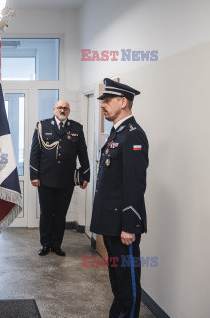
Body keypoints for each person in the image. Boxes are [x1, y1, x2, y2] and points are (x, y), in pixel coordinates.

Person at [90, 78, 148, 318]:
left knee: (128, 281)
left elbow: (134, 184)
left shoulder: (133, 135)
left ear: (123, 102)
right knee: (117, 277)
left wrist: (129, 226)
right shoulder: (118, 133)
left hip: (123, 225)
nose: (102, 104)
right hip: (110, 222)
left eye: (107, 100)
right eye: (102, 100)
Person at [30, 100, 90, 257]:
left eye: (65, 108)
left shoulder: (76, 128)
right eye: (59, 108)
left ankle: (56, 245)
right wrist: (34, 175)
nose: (62, 110)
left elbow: (83, 153)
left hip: (66, 179)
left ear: (69, 111)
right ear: (54, 109)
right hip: (45, 179)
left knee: (61, 214)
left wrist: (86, 175)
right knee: (46, 213)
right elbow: (35, 152)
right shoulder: (42, 126)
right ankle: (45, 244)